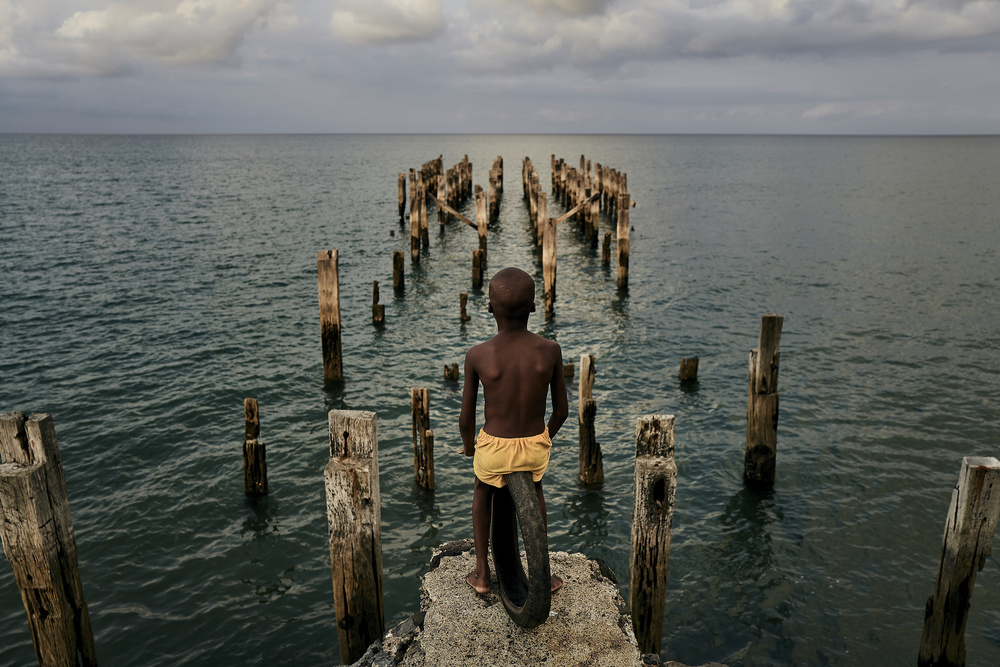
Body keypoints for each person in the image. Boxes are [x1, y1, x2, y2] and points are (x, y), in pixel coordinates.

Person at [459, 267, 568, 594]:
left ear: (490, 308)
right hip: (535, 447)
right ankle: (544, 575)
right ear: (534, 307)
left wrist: (469, 448)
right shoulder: (550, 350)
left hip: (493, 449)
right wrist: (544, 436)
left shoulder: (477, 354)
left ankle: (481, 574)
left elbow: (466, 419)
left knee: (482, 491)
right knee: (536, 489)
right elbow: (561, 412)